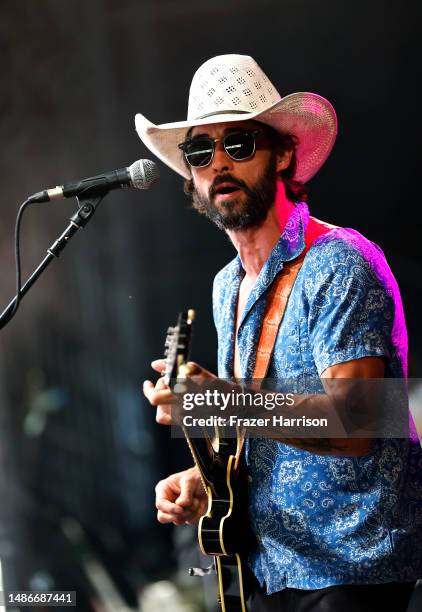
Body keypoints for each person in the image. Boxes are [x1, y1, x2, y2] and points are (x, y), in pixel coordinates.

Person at [138, 54, 422, 612]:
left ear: (284, 153)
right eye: (200, 151)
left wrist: (216, 401)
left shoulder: (341, 262)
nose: (218, 162)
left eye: (239, 144)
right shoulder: (227, 286)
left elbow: (357, 420)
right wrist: (206, 477)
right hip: (269, 565)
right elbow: (257, 424)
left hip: (352, 566)